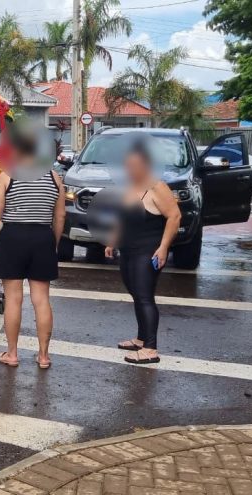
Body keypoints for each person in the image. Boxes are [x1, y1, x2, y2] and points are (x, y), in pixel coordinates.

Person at [0, 127, 66, 369]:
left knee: (13, 299)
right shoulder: (54, 177)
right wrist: (54, 243)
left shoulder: (8, 175)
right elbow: (59, 217)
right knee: (41, 299)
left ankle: (12, 353)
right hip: (43, 236)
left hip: (13, 237)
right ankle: (43, 356)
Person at [104, 139, 181, 365]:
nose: (130, 170)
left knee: (145, 296)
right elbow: (122, 219)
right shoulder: (130, 187)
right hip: (128, 249)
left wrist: (164, 247)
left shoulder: (157, 187)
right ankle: (140, 338)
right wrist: (112, 241)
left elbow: (175, 217)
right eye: (128, 166)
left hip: (148, 251)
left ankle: (150, 349)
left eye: (135, 166)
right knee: (136, 293)